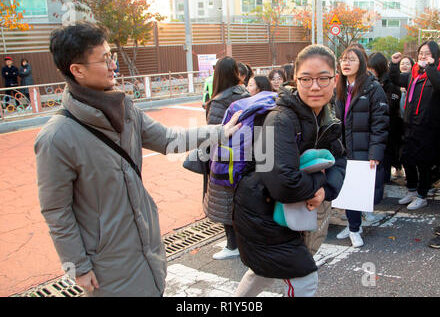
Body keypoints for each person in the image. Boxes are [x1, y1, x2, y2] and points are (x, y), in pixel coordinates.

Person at [34, 21, 242, 297]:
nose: (113, 66)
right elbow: (56, 212)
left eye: (112, 57)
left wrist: (219, 132)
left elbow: (168, 139)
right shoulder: (56, 138)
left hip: (148, 245)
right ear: (77, 71)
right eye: (105, 59)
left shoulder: (125, 109)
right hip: (107, 263)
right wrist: (78, 267)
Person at [233, 44, 347, 297]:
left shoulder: (329, 114)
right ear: (295, 80)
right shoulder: (280, 118)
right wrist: (319, 183)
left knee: (264, 270)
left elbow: (340, 159)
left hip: (291, 210)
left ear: (335, 79)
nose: (315, 86)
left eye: (323, 78)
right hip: (260, 212)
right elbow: (282, 183)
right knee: (304, 278)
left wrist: (327, 189)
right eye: (306, 79)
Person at [335, 47, 389, 248]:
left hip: (363, 148)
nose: (346, 63)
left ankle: (355, 228)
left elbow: (380, 123)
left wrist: (375, 152)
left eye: (351, 60)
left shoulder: (373, 88)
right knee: (347, 189)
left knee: (357, 191)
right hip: (343, 148)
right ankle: (352, 225)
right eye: (343, 59)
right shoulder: (339, 87)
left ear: (362, 63)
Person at [203, 56, 250, 260]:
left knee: (224, 202)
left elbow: (212, 134)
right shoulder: (246, 93)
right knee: (241, 202)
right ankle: (241, 243)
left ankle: (232, 247)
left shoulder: (220, 100)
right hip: (248, 156)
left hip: (224, 159)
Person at [390, 41, 440, 212]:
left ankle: (422, 195)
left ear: (435, 55)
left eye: (427, 53)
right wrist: (394, 64)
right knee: (407, 158)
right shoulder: (415, 73)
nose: (423, 56)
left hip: (427, 126)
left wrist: (431, 68)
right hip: (410, 124)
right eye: (421, 53)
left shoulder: (435, 73)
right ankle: (412, 190)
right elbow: (396, 78)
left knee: (423, 163)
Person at [368, 52, 403, 184]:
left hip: (390, 126)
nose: (369, 72)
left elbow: (391, 105)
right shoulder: (370, 82)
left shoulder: (390, 84)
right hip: (376, 125)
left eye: (372, 69)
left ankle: (384, 180)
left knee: (386, 155)